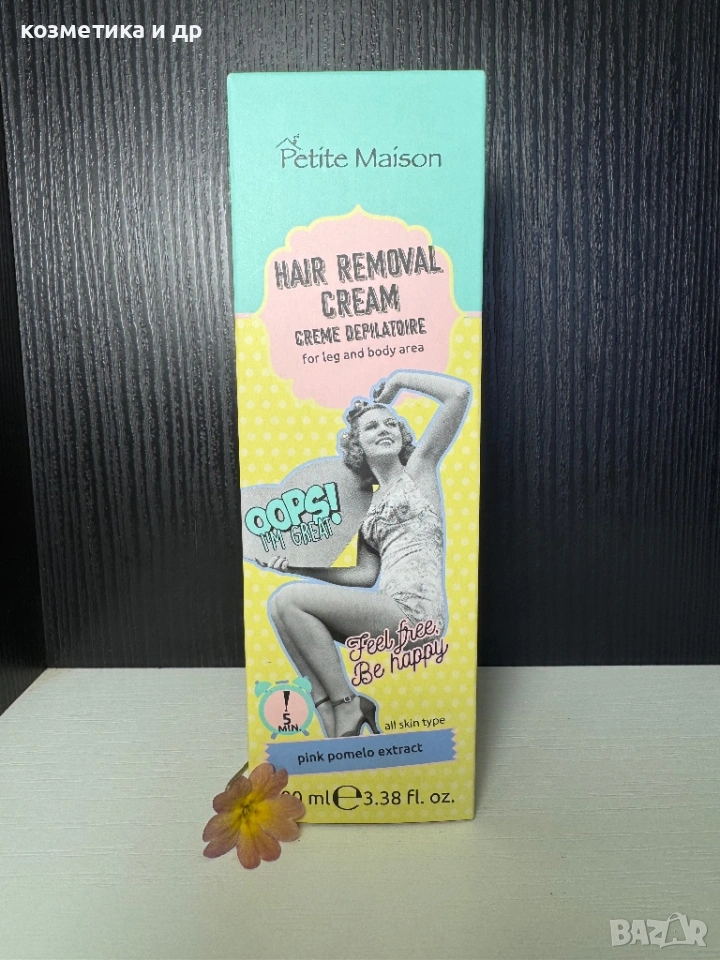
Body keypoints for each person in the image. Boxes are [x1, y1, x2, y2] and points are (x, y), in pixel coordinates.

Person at [256, 370, 471, 738]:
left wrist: (399, 380)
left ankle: (348, 703)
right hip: (389, 609)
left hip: (417, 613)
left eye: (391, 423)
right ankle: (332, 721)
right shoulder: (365, 508)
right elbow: (364, 576)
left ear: (402, 434)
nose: (384, 429)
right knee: (280, 607)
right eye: (372, 427)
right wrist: (296, 566)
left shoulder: (419, 470)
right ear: (358, 445)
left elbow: (459, 394)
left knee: (291, 601)